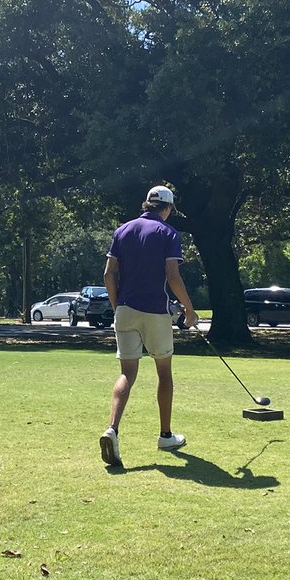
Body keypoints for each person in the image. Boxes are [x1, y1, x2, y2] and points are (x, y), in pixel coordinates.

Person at [99, 185, 199, 468]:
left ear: (146, 205)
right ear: (166, 208)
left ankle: (112, 429)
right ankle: (165, 436)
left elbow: (109, 274)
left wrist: (118, 305)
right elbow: (173, 276)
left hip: (125, 310)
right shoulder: (168, 233)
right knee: (164, 371)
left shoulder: (122, 231)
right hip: (156, 312)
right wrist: (189, 310)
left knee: (127, 373)